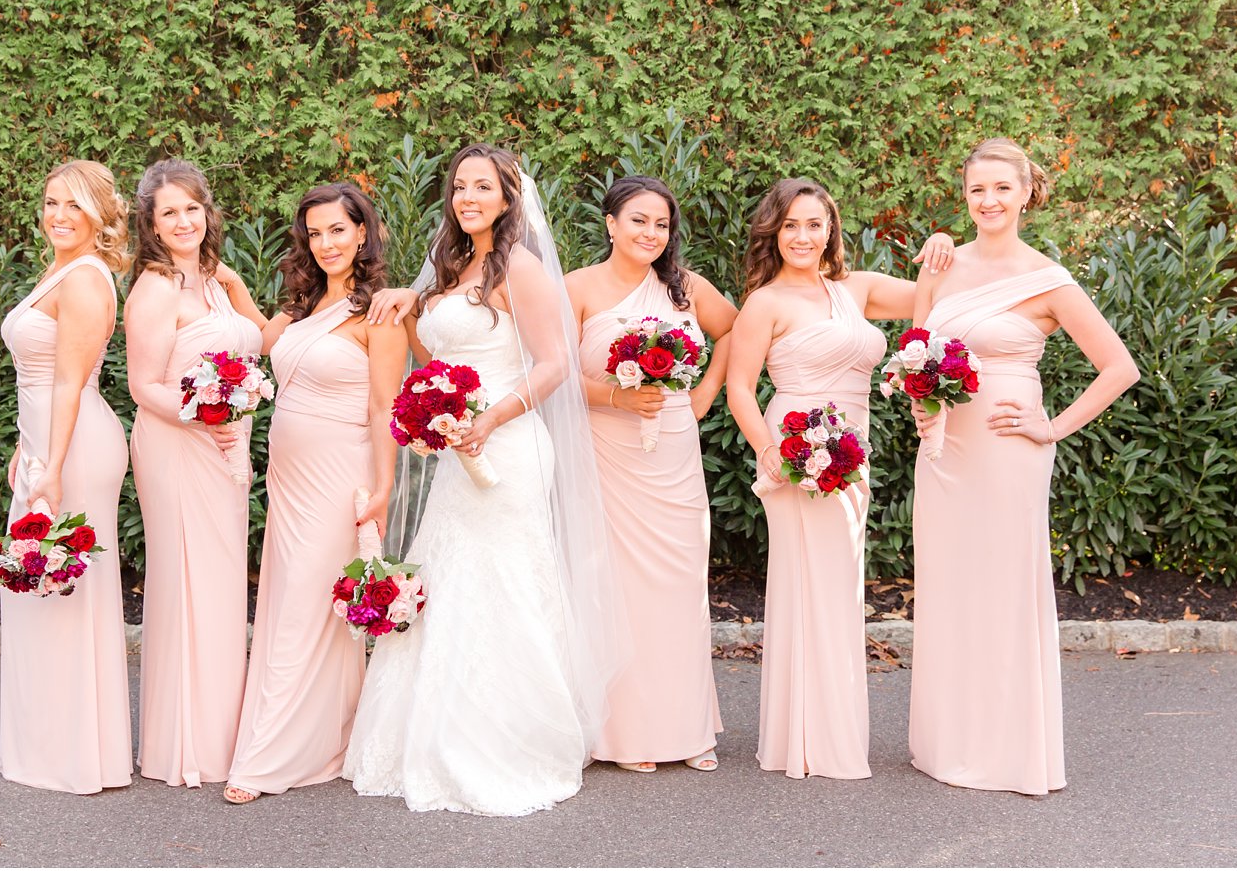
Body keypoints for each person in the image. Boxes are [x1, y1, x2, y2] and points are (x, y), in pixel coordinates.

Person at [343, 143, 621, 816]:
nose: (468, 198)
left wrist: (490, 418)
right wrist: (429, 393)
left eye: (482, 187)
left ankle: (510, 737)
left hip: (511, 442)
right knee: (454, 574)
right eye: (460, 186)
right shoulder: (451, 264)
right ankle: (434, 735)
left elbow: (553, 363)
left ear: (506, 198)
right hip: (458, 444)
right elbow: (436, 355)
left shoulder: (519, 267)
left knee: (505, 579)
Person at [908, 137, 1138, 795]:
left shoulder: (1049, 279)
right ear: (965, 193)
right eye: (977, 189)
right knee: (950, 584)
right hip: (947, 450)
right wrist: (921, 407)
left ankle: (1007, 750)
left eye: (1002, 189)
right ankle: (948, 740)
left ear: (1028, 193)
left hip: (1011, 451)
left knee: (1004, 587)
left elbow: (1120, 367)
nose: (988, 201)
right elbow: (918, 352)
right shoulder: (942, 263)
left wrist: (1052, 427)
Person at [726, 177, 953, 780]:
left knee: (838, 588)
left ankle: (824, 731)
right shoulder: (765, 302)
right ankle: (810, 740)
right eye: (791, 225)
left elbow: (935, 293)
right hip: (797, 451)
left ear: (831, 231)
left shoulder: (857, 289)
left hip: (855, 452)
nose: (803, 236)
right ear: (774, 232)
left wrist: (940, 242)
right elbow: (740, 388)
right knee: (813, 585)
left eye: (814, 224)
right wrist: (770, 450)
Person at [222, 183, 407, 804]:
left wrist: (381, 486)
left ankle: (271, 758)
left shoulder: (378, 312)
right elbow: (261, 341)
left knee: (307, 600)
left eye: (338, 230)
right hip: (289, 478)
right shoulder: (300, 306)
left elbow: (385, 404)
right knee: (287, 598)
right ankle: (325, 737)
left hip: (339, 472)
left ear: (362, 234)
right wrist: (221, 280)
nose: (326, 243)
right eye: (315, 232)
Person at [565, 175, 737, 774]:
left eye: (661, 224)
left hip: (674, 458)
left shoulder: (684, 288)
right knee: (619, 590)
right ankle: (628, 734)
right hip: (607, 458)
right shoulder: (577, 289)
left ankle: (685, 729)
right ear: (611, 224)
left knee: (678, 587)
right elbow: (551, 375)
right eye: (638, 220)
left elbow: (736, 329)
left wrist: (707, 391)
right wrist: (616, 398)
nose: (650, 233)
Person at [124, 159, 267, 789]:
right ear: (152, 226)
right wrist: (204, 417)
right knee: (188, 581)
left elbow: (264, 340)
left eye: (192, 209)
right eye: (169, 213)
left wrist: (235, 290)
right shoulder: (156, 287)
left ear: (208, 212)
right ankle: (186, 744)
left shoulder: (214, 280)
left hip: (224, 446)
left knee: (220, 583)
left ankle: (225, 734)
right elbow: (142, 385)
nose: (184, 222)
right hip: (179, 446)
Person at [0, 159, 133, 794]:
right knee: (39, 588)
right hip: (48, 441)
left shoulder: (84, 279)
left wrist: (49, 465)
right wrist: (26, 450)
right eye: (52, 202)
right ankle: (49, 744)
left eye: (74, 205)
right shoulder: (58, 270)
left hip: (73, 445)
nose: (58, 215)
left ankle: (77, 754)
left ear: (100, 215)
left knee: (66, 589)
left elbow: (69, 381)